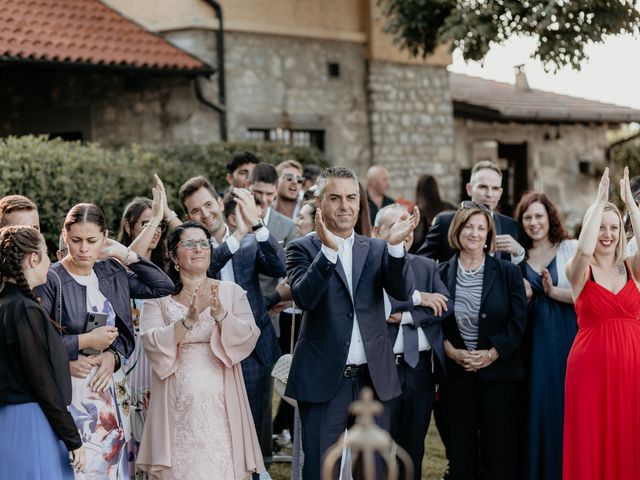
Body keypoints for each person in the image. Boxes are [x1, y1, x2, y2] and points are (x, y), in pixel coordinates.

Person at [285, 166, 418, 480]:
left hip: (374, 380)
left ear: (360, 203)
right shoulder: (301, 248)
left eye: (351, 198)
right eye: (335, 198)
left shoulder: (376, 248)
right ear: (321, 203)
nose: (344, 205)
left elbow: (402, 292)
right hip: (323, 381)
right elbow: (304, 297)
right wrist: (328, 253)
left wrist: (396, 248)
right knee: (319, 469)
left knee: (372, 471)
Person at [35, 203, 174, 480]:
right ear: (64, 236)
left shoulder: (112, 272)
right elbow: (39, 342)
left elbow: (164, 286)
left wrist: (127, 254)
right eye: (76, 240)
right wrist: (82, 342)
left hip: (108, 390)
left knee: (110, 463)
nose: (84, 249)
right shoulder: (51, 279)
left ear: (105, 236)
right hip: (69, 391)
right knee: (77, 467)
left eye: (92, 240)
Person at [136, 221, 264, 479]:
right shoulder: (157, 298)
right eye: (189, 244)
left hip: (223, 404)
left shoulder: (231, 292)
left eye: (204, 243)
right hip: (176, 404)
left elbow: (250, 335)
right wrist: (186, 323)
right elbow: (150, 341)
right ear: (173, 256)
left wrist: (221, 316)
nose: (198, 249)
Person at [178, 176, 285, 474]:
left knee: (256, 418)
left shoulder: (250, 241)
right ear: (189, 217)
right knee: (220, 424)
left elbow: (279, 267)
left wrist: (258, 227)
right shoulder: (190, 249)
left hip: (253, 347)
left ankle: (260, 470)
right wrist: (236, 236)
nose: (205, 214)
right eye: (196, 211)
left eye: (209, 204)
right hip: (210, 349)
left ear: (220, 202)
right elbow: (207, 267)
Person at [437, 202, 527, 480]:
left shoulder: (507, 272)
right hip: (458, 374)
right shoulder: (440, 273)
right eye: (469, 227)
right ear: (457, 230)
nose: (475, 233)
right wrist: (450, 352)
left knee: (500, 451)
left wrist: (492, 353)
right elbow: (434, 323)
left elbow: (518, 321)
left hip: (499, 375)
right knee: (461, 451)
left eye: (481, 228)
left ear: (488, 234)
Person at [564, 167, 640, 480]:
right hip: (589, 370)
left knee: (630, 441)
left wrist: (631, 206)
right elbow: (583, 248)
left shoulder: (633, 268)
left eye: (613, 227)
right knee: (590, 442)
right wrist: (598, 202)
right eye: (601, 227)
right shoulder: (578, 271)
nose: (607, 234)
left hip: (632, 370)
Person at [373, 204, 452, 480]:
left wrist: (406, 315)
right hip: (383, 369)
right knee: (378, 448)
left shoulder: (427, 265)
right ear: (377, 231)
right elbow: (377, 304)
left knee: (412, 448)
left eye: (408, 225)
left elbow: (445, 305)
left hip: (419, 372)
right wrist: (420, 299)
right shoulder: (371, 265)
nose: (405, 232)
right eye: (396, 225)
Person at [0, 226, 85, 479]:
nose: (51, 260)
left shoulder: (5, 305)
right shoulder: (24, 310)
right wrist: (73, 438)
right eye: (47, 253)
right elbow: (43, 382)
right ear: (33, 258)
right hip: (32, 423)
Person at [513, 192, 577, 480]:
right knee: (535, 403)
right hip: (531, 340)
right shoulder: (517, 257)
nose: (533, 222)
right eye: (527, 217)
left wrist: (552, 292)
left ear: (550, 217)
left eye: (539, 216)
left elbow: (586, 295)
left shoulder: (570, 249)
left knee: (564, 404)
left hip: (565, 336)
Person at [116, 190, 169, 470]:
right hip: (126, 356)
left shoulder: (166, 268)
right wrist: (157, 216)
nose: (156, 230)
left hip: (156, 355)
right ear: (129, 226)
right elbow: (127, 259)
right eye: (146, 223)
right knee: (128, 429)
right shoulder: (116, 263)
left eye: (158, 225)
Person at [417, 160, 524, 264]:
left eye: (495, 188)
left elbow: (522, 275)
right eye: (483, 187)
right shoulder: (444, 222)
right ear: (469, 189)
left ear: (500, 193)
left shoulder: (511, 227)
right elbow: (420, 264)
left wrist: (519, 253)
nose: (489, 194)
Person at [411, 174, 455, 254]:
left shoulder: (417, 212)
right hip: (447, 255)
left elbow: (415, 241)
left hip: (424, 257)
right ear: (436, 188)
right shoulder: (449, 208)